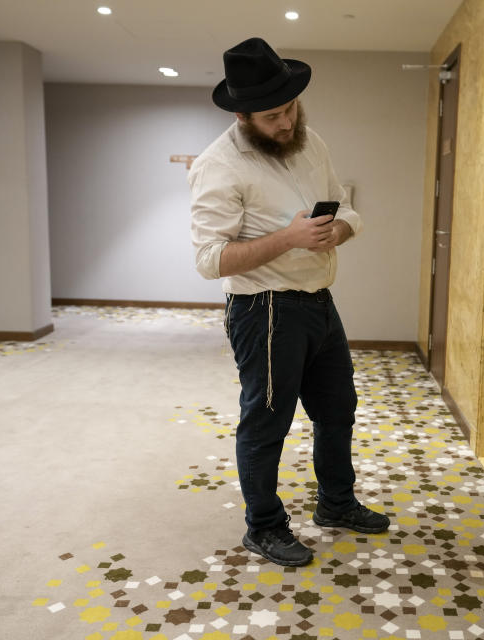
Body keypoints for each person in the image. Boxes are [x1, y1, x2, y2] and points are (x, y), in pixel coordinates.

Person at [189, 37, 390, 567]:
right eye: (272, 115)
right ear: (242, 115)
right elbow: (209, 260)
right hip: (265, 311)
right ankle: (264, 526)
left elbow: (345, 207)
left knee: (337, 410)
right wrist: (290, 238)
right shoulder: (217, 166)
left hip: (320, 302)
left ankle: (336, 504)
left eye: (291, 107)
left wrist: (337, 232)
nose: (286, 122)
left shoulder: (309, 141)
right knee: (267, 423)